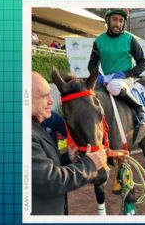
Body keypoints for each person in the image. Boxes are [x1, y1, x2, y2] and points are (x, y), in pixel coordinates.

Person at [31, 72, 107, 215]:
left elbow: (40, 169)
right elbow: (49, 181)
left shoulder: (34, 126)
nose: (51, 101)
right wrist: (90, 165)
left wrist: (67, 159)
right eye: (44, 96)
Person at [88, 8, 145, 125]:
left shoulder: (130, 39)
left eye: (121, 21)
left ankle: (139, 108)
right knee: (88, 94)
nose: (118, 24)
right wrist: (98, 76)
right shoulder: (99, 41)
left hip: (125, 78)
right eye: (115, 20)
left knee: (113, 87)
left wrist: (127, 73)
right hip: (106, 78)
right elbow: (92, 64)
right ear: (108, 21)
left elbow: (142, 63)